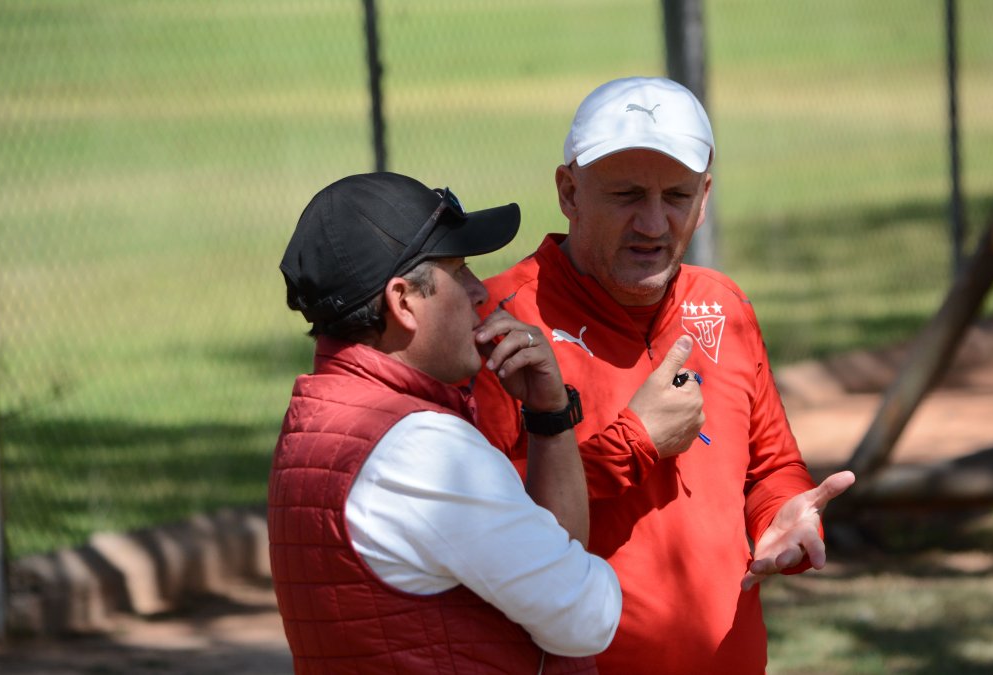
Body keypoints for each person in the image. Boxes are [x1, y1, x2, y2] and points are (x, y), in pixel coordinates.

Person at [471, 77, 856, 674]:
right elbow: (485, 525)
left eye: (676, 195)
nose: (652, 223)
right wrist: (634, 443)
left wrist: (781, 513)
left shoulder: (724, 306)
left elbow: (770, 466)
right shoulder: (502, 324)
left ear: (705, 198)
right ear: (568, 191)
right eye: (626, 194)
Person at [269, 172, 622, 674]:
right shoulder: (421, 449)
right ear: (403, 302)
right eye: (458, 272)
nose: (480, 291)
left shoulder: (320, 415)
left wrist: (549, 417)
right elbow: (586, 616)